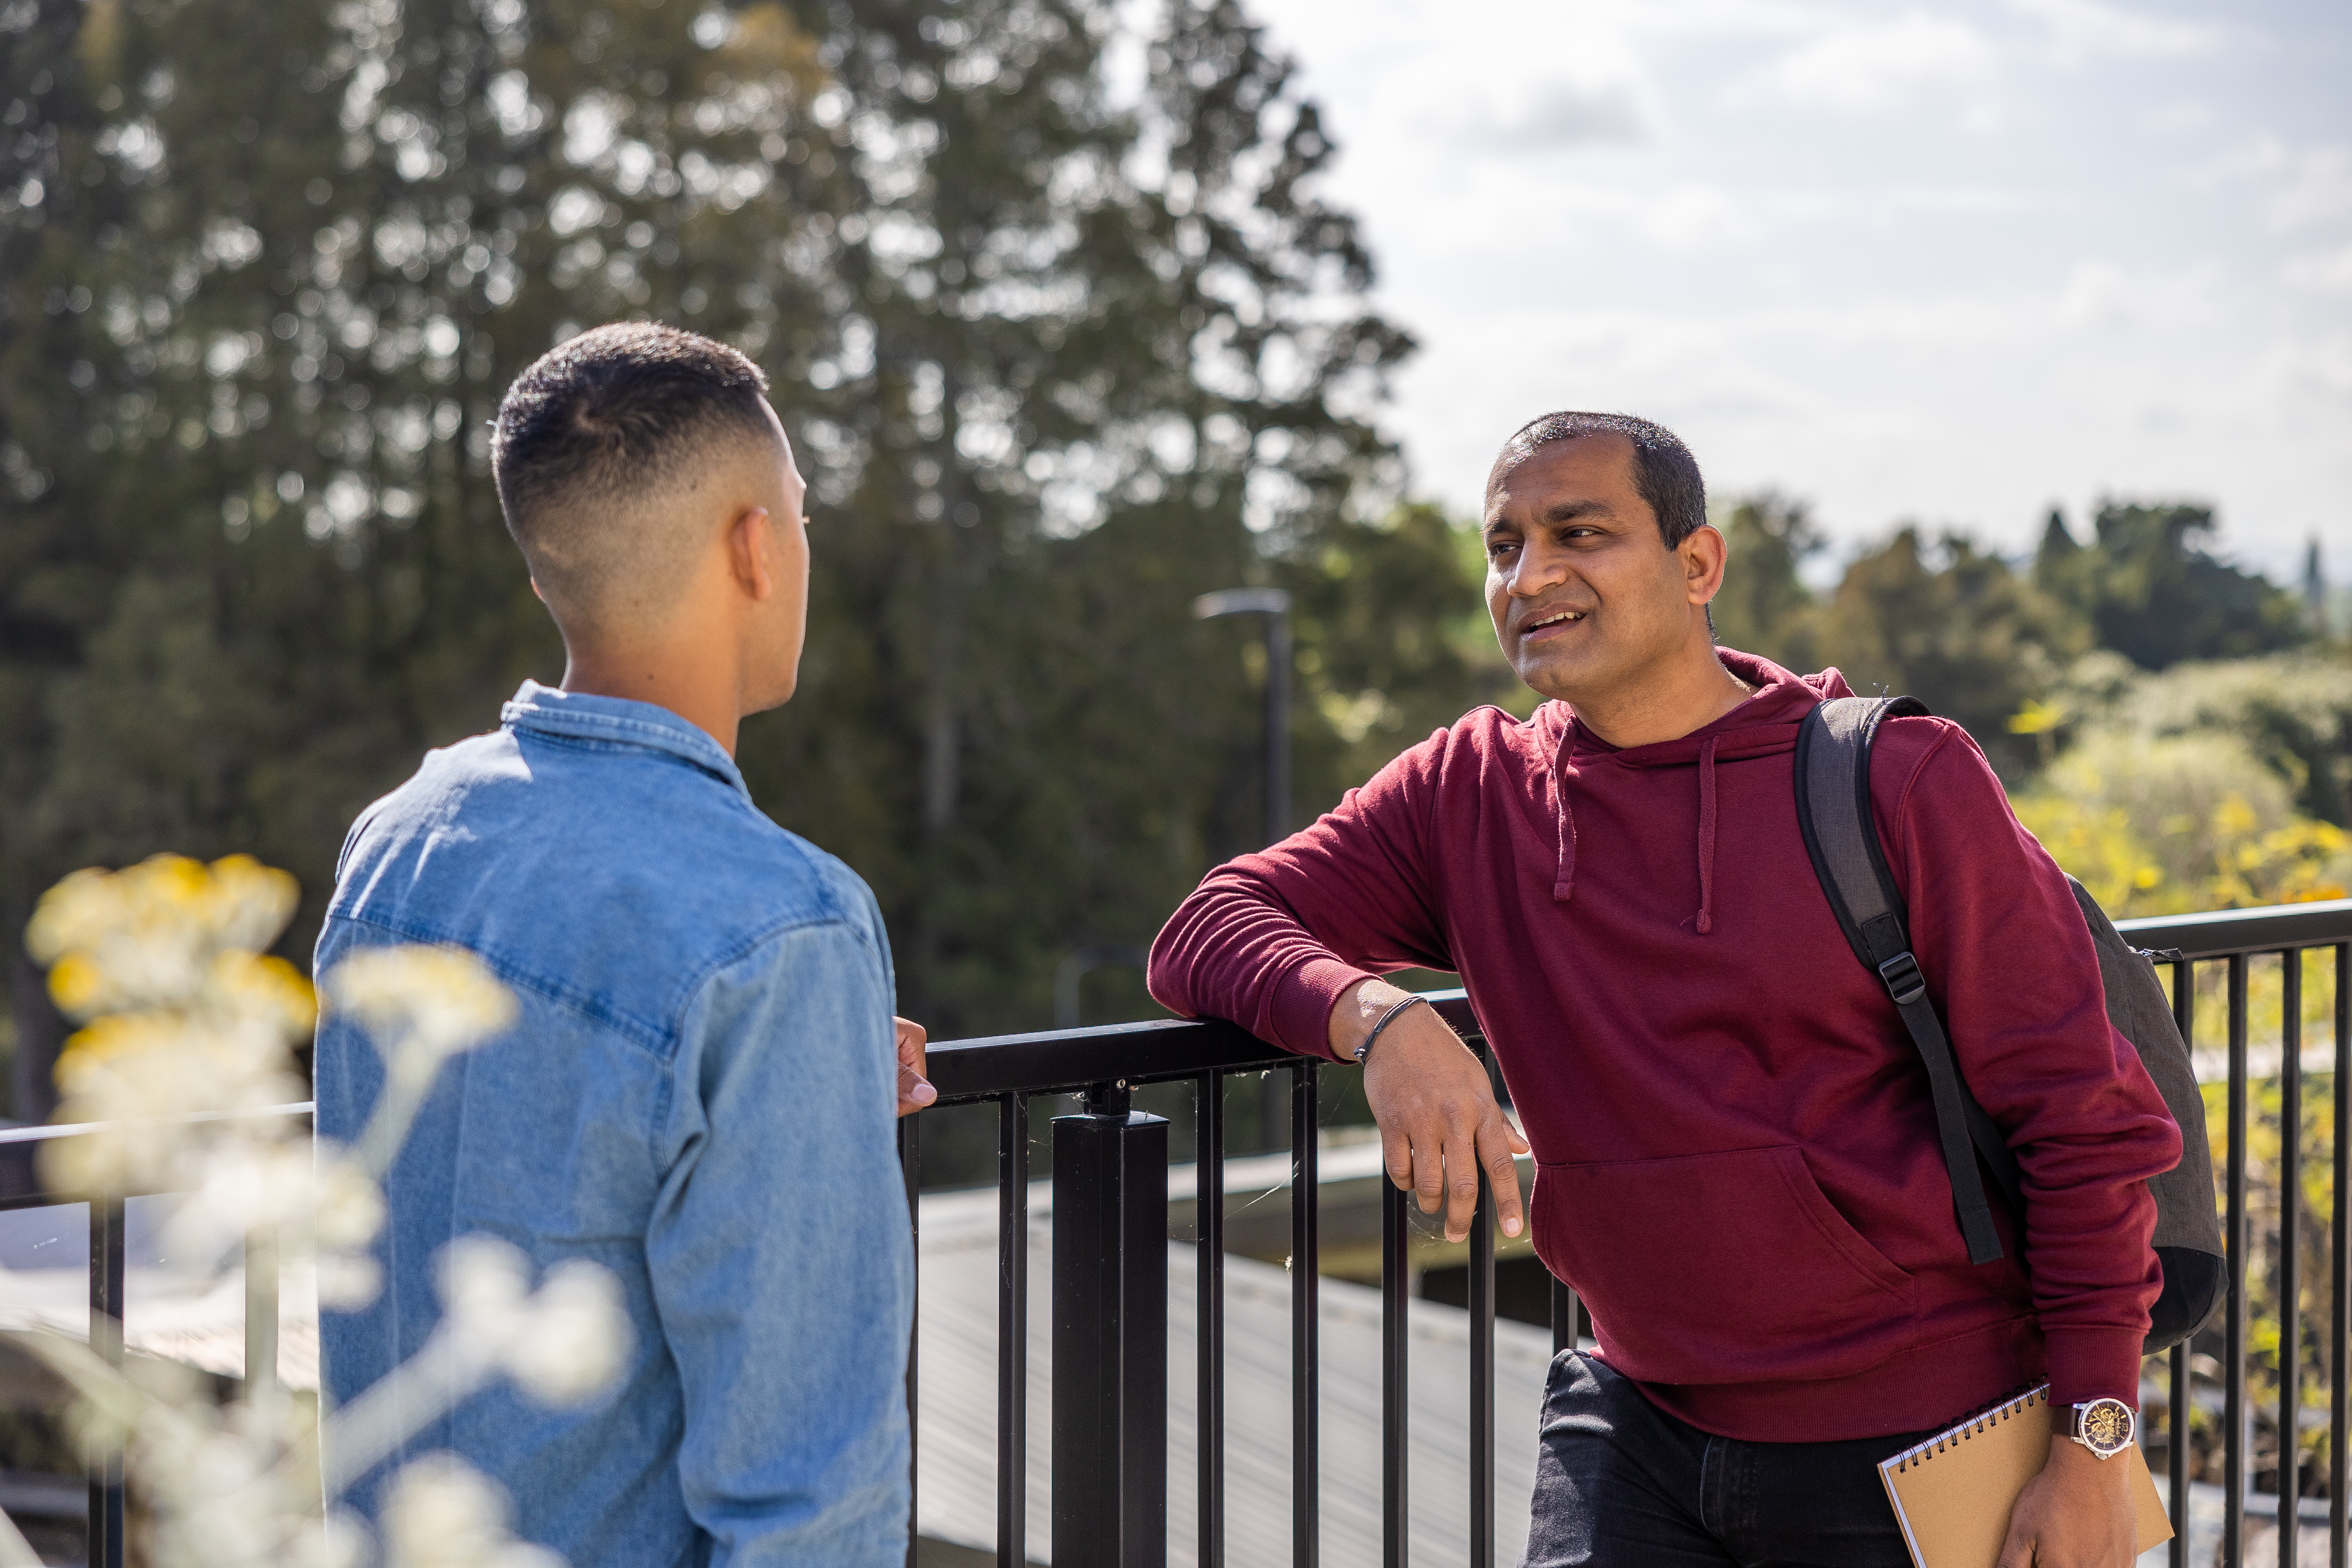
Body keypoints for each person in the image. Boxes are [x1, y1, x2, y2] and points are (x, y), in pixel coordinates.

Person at [1147, 412, 2180, 1568]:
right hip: (1632, 1422)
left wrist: (2095, 1447)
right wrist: (1380, 1020)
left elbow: (2082, 1125)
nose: (1531, 576)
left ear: (1697, 566)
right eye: (1503, 546)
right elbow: (1204, 927)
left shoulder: (1896, 781)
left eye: (1579, 533)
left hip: (1922, 1438)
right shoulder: (1468, 793)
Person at [314, 322, 933, 1565]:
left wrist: (803, 1096)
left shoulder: (397, 840)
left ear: (548, 576)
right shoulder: (779, 928)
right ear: (756, 548)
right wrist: (789, 1046)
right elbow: (812, 1503)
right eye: (801, 517)